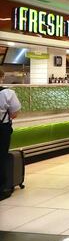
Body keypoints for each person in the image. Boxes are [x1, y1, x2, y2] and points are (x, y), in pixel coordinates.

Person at [0, 70, 21, 200]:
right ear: (2, 77)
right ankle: (1, 189)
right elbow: (14, 113)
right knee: (1, 157)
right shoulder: (7, 93)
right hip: (2, 129)